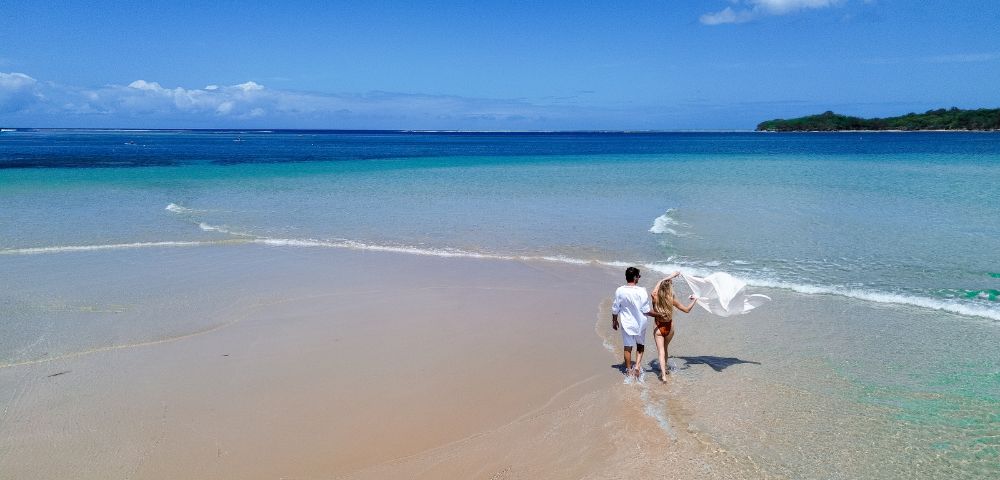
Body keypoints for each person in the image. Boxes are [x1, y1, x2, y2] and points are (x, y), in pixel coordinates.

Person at [611, 267, 667, 379]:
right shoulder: (641, 291)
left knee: (627, 347)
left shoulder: (620, 290)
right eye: (639, 276)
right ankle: (637, 366)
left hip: (627, 324)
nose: (639, 278)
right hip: (641, 324)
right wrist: (659, 314)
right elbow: (646, 311)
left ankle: (628, 370)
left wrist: (614, 320)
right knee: (640, 346)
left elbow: (615, 308)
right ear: (635, 277)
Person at [651, 272, 698, 382]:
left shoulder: (655, 297)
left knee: (661, 351)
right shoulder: (671, 300)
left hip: (658, 328)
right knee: (665, 348)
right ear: (669, 289)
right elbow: (687, 310)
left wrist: (670, 276)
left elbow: (659, 283)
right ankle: (666, 367)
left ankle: (663, 375)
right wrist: (695, 300)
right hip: (669, 328)